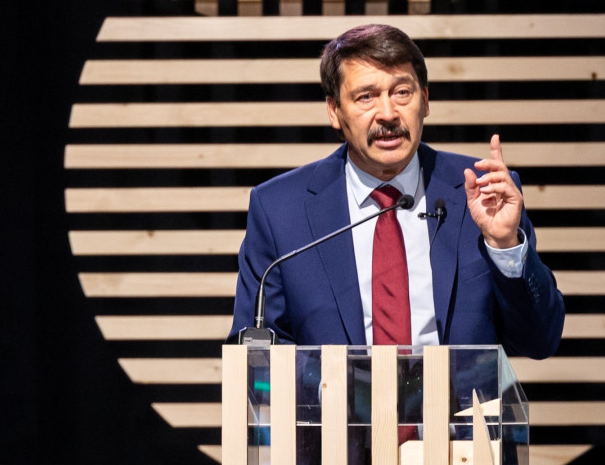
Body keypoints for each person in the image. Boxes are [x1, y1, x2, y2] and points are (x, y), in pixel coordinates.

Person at [230, 24, 564, 359]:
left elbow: (539, 342)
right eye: (366, 97)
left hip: (460, 396)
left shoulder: (483, 193)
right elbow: (258, 355)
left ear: (425, 101)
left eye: (402, 92)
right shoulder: (280, 211)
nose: (388, 114)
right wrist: (336, 384)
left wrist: (505, 246)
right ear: (334, 111)